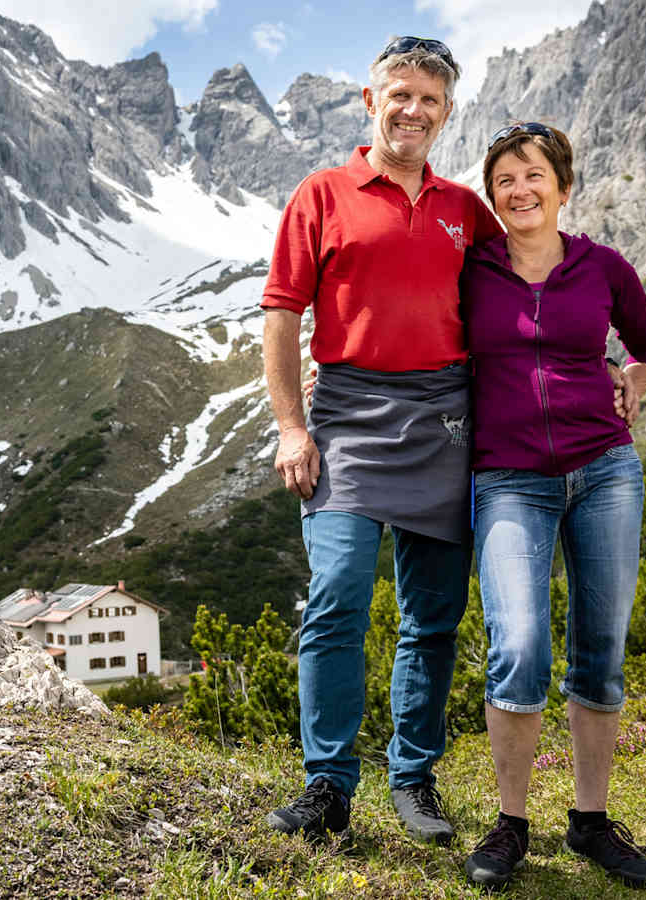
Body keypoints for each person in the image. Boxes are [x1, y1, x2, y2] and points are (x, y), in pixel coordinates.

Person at [259, 35, 502, 844]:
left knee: (434, 618)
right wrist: (292, 426)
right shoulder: (322, 193)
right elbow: (282, 311)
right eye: (400, 95)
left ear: (447, 114)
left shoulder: (466, 209)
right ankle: (328, 788)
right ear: (372, 103)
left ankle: (415, 780)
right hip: (348, 423)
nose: (413, 110)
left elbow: (518, 300)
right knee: (336, 602)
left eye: (430, 100)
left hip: (445, 422)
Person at [458, 122, 646, 890]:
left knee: (600, 648)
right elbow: (417, 339)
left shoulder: (602, 266)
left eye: (534, 175)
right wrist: (336, 383)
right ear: (493, 194)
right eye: (505, 179)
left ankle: (590, 822)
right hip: (508, 477)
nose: (520, 189)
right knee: (516, 643)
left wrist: (637, 379)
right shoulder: (472, 270)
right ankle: (511, 823)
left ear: (563, 186)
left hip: (605, 470)